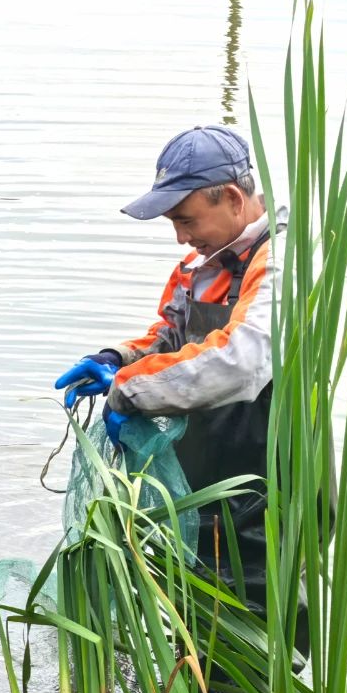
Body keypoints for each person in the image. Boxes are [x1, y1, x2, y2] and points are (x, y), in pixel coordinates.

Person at [54, 124, 285, 620]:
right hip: (208, 477)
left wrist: (127, 391)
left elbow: (239, 362)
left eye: (186, 220)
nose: (181, 236)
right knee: (199, 611)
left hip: (267, 482)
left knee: (256, 621)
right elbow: (172, 335)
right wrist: (115, 359)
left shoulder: (282, 260)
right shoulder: (202, 265)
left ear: (231, 198)